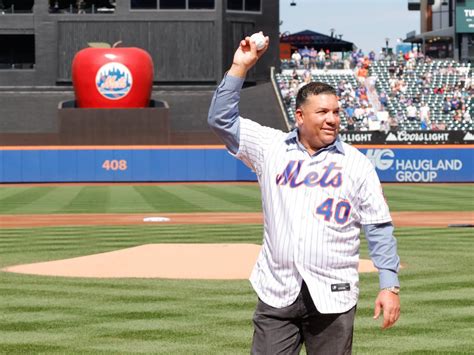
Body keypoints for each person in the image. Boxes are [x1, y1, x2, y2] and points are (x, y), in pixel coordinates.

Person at [208, 34, 401, 354]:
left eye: (336, 112)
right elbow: (221, 119)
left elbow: (378, 226)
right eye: (322, 112)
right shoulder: (270, 147)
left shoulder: (357, 164)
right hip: (277, 293)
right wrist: (239, 67)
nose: (332, 119)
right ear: (299, 116)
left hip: (334, 297)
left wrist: (389, 285)